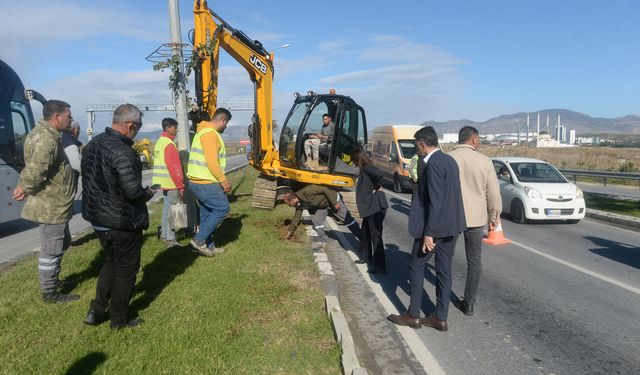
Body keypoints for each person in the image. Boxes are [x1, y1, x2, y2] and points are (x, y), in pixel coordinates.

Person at [81, 103, 154, 329]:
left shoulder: (93, 145)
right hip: (122, 221)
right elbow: (133, 192)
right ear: (130, 125)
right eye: (138, 128)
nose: (138, 132)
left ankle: (96, 310)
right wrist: (149, 192)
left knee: (110, 264)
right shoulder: (123, 152)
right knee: (126, 272)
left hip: (100, 220)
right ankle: (119, 319)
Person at [387, 126, 466, 331]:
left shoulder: (433, 165)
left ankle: (413, 314)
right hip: (452, 225)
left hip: (435, 227)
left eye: (416, 145)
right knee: (444, 269)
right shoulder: (449, 160)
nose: (417, 150)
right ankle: (440, 317)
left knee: (416, 265)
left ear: (422, 143)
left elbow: (436, 201)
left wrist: (429, 233)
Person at [12, 100, 78, 303]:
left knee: (61, 243)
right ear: (57, 117)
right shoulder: (46, 139)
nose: (70, 119)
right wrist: (25, 186)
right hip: (51, 205)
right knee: (52, 248)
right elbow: (37, 168)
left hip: (56, 203)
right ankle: (50, 292)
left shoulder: (46, 135)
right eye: (68, 115)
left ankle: (53, 280)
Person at [449, 126, 502, 316]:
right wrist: (494, 216)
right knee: (474, 261)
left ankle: (441, 299)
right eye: (478, 140)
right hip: (476, 218)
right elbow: (493, 193)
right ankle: (469, 303)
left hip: (451, 217)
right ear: (474, 140)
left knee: (446, 257)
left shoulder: (448, 158)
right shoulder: (485, 161)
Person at [187, 107, 232, 257]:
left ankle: (209, 246)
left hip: (199, 180)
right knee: (222, 208)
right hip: (205, 181)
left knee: (207, 213)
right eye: (226, 123)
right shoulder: (210, 134)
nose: (226, 126)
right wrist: (223, 181)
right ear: (222, 120)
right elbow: (212, 161)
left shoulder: (203, 131)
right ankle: (199, 240)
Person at [351, 148, 388, 274]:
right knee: (365, 232)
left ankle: (380, 266)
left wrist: (377, 187)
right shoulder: (364, 169)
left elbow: (379, 174)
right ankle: (367, 258)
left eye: (354, 160)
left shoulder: (367, 168)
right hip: (370, 207)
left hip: (376, 206)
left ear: (358, 159)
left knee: (375, 236)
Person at [283, 184, 362, 243]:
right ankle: (324, 240)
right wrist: (290, 232)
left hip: (333, 199)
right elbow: (296, 218)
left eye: (289, 204)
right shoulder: (299, 205)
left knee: (347, 220)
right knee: (317, 221)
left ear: (292, 200)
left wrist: (334, 202)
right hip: (323, 205)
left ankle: (363, 239)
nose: (290, 206)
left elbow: (325, 189)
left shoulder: (307, 191)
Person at [152, 117, 186, 247]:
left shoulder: (160, 142)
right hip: (172, 183)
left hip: (163, 183)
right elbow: (175, 168)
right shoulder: (170, 145)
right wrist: (181, 186)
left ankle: (164, 234)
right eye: (175, 127)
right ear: (168, 128)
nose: (177, 130)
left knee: (167, 210)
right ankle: (171, 239)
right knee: (175, 211)